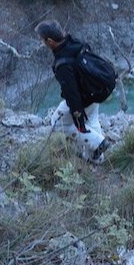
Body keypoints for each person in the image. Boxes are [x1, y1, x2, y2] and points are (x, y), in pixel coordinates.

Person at [36, 19, 112, 163]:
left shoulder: (62, 64)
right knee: (92, 120)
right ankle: (96, 159)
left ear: (50, 41)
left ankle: (98, 144)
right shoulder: (75, 43)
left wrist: (78, 121)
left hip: (83, 98)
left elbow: (72, 95)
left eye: (42, 40)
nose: (42, 43)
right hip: (94, 91)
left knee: (57, 123)